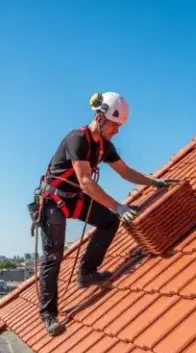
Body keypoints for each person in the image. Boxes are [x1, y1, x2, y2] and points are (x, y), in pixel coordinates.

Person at [35, 92, 174, 336]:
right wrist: (117, 206)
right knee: (53, 255)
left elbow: (125, 172)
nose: (117, 131)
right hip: (53, 201)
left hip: (74, 199)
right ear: (99, 118)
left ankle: (86, 273)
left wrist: (153, 182)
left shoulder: (104, 146)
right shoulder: (77, 139)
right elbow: (85, 181)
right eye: (114, 125)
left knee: (109, 221)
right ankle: (48, 314)